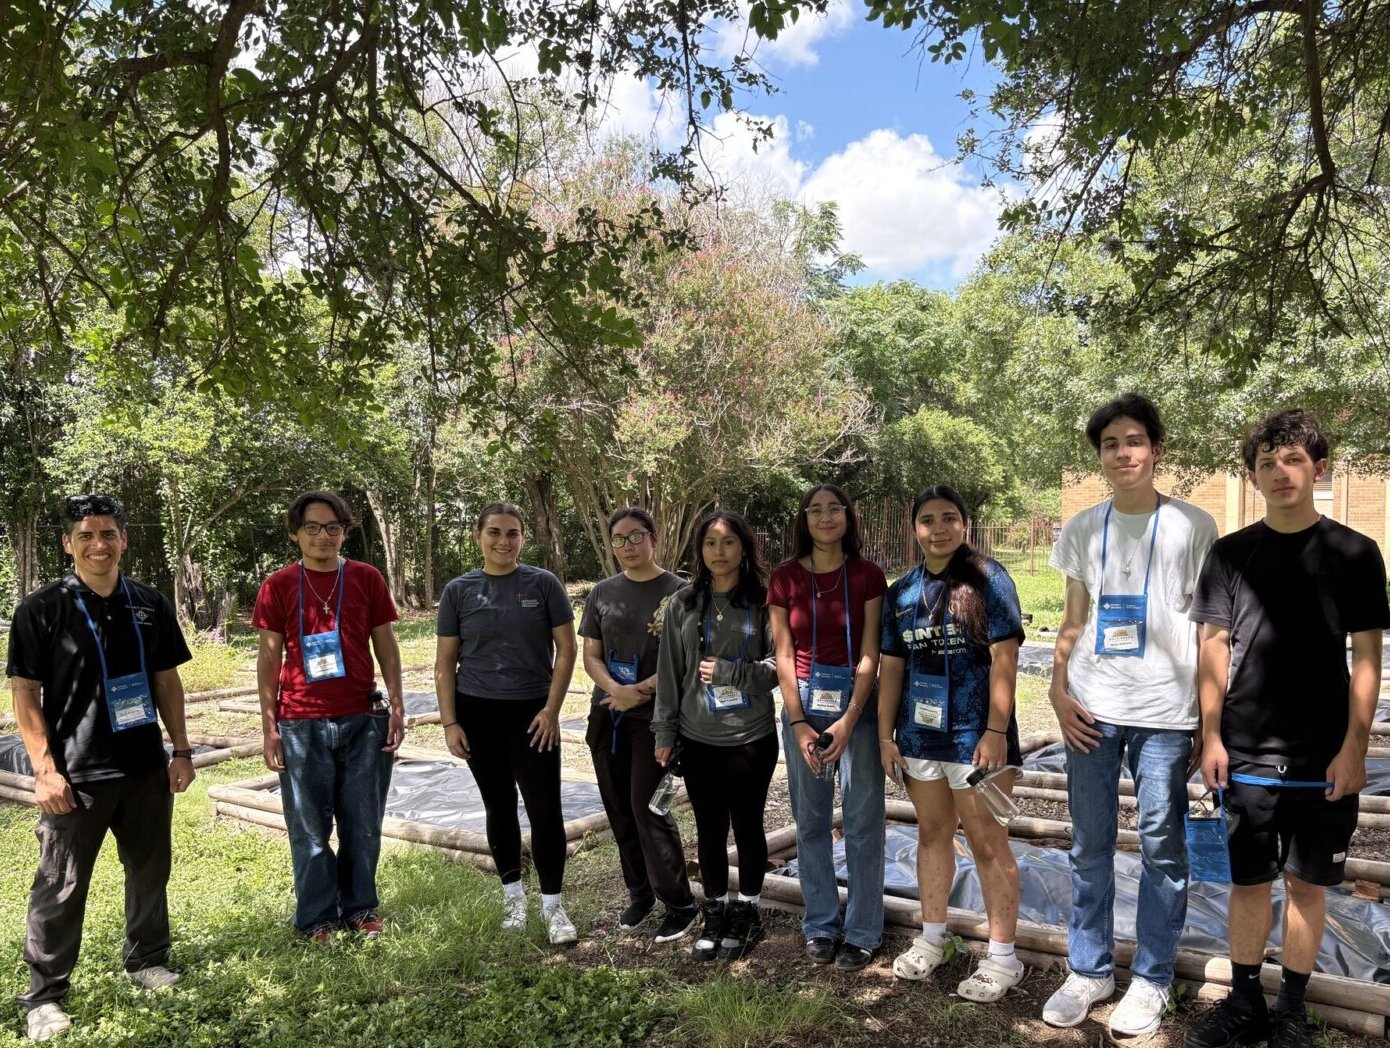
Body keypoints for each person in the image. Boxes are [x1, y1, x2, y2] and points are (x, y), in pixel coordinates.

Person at [1186, 411, 1389, 1048]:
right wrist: (1211, 738)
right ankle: (1245, 1001)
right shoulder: (1230, 554)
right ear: (1253, 474)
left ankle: (1291, 1011)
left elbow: (1367, 658)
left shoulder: (1355, 554)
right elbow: (1213, 648)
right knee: (1248, 883)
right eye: (1268, 461)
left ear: (1318, 468)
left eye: (1294, 458)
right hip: (1244, 751)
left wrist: (1355, 747)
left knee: (1306, 884)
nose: (1280, 471)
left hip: (1324, 755)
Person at [1043, 393, 1218, 1037]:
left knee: (1162, 849)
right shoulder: (1084, 528)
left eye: (1135, 440)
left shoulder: (1194, 526)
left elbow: (1208, 631)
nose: (1123, 452)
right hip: (1092, 707)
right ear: (1100, 456)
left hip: (1166, 716)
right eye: (1111, 443)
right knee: (1088, 845)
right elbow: (1072, 621)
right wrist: (1059, 692)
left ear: (1156, 450)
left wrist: (1207, 717)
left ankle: (1152, 977)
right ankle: (1089, 970)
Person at [7, 495, 195, 1043]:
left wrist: (179, 751)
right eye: (86, 535)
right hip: (76, 775)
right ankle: (44, 996)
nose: (98, 544)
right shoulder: (41, 609)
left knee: (149, 871)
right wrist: (45, 770)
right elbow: (26, 694)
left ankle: (147, 961)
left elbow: (166, 681)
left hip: (144, 769)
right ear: (68, 544)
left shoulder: (149, 603)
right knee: (60, 885)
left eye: (108, 533)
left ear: (123, 540)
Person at [879, 486, 1027, 1002]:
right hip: (920, 736)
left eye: (948, 518)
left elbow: (1005, 660)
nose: (938, 528)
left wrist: (994, 730)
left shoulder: (990, 579)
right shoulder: (902, 591)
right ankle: (932, 939)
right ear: (913, 528)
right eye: (926, 520)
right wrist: (884, 736)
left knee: (989, 844)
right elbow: (892, 666)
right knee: (931, 836)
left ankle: (1004, 959)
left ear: (964, 524)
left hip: (976, 738)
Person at [253, 491, 405, 943]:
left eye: (333, 527)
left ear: (345, 531)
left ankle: (360, 908)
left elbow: (386, 644)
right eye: (313, 528)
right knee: (310, 830)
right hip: (300, 722)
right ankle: (317, 916)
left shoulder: (366, 577)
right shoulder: (278, 585)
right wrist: (269, 726)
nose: (324, 536)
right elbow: (268, 658)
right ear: (296, 533)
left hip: (363, 718)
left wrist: (397, 705)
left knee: (362, 823)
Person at [435, 502, 579, 944]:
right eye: (494, 532)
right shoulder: (459, 591)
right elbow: (444, 664)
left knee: (544, 809)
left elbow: (567, 651)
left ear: (523, 538)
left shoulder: (543, 584)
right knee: (498, 805)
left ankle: (553, 907)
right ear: (478, 536)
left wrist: (551, 711)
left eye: (512, 533)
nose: (503, 541)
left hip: (533, 714)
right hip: (477, 713)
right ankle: (513, 899)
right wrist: (449, 723)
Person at [768, 484, 887, 972]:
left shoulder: (868, 575)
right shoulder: (785, 578)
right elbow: (781, 652)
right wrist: (797, 722)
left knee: (862, 822)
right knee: (811, 822)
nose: (825, 517)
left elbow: (870, 652)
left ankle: (862, 930)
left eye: (833, 508)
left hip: (856, 709)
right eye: (815, 510)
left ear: (847, 516)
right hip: (802, 706)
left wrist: (850, 717)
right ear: (804, 519)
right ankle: (820, 923)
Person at [653, 509, 779, 961]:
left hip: (750, 737)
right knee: (708, 828)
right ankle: (716, 909)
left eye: (728, 542)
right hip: (697, 738)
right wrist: (664, 731)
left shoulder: (765, 602)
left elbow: (779, 668)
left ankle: (748, 910)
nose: (718, 552)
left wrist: (733, 672)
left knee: (747, 824)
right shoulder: (683, 604)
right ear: (700, 550)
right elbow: (669, 674)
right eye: (710, 543)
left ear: (743, 547)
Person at [580, 508, 698, 941]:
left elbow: (686, 660)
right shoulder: (601, 592)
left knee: (649, 807)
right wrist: (615, 688)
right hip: (607, 713)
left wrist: (640, 690)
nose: (627, 546)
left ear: (654, 538)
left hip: (655, 719)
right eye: (618, 539)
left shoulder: (680, 593)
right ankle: (640, 893)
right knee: (619, 808)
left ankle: (680, 903)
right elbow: (591, 653)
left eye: (635, 537)